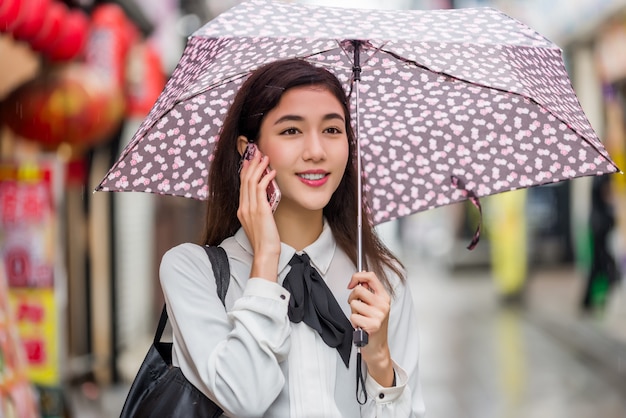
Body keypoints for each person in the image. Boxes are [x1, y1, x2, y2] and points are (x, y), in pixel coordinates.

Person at [159, 58, 425, 417]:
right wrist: (265, 263)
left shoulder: (381, 282)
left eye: (332, 130)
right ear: (247, 150)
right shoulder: (192, 272)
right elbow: (245, 398)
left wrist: (379, 360)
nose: (316, 151)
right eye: (291, 131)